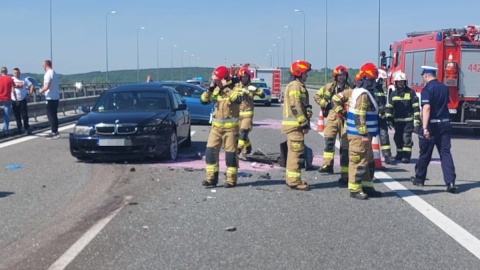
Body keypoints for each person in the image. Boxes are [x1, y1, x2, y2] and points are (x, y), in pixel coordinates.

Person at [411, 66, 457, 193]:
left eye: (423, 76)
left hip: (432, 125)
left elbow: (427, 108)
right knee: (445, 153)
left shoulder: (427, 89)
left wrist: (425, 127)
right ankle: (450, 182)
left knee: (425, 153)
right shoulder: (443, 87)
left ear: (426, 75)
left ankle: (420, 179)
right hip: (445, 124)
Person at [200, 66, 243, 188]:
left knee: (230, 155)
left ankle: (230, 180)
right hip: (216, 129)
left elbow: (238, 99)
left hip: (230, 129)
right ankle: (211, 178)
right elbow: (203, 100)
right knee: (210, 152)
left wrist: (225, 88)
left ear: (224, 79)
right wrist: (211, 88)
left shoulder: (236, 87)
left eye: (217, 80)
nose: (215, 82)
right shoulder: (215, 89)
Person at [346, 62, 383, 199]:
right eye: (372, 80)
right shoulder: (362, 94)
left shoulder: (363, 92)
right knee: (358, 162)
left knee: (367, 162)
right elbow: (359, 114)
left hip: (365, 135)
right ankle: (355, 189)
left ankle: (367, 186)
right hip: (359, 136)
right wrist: (363, 133)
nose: (374, 83)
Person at [314, 65, 352, 173]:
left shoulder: (350, 89)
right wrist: (325, 104)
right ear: (335, 76)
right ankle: (327, 165)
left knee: (345, 145)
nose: (342, 78)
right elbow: (317, 96)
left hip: (344, 117)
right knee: (329, 141)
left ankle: (345, 169)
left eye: (344, 75)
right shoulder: (328, 87)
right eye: (339, 76)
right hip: (332, 116)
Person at [281, 60, 312, 191]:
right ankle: (294, 181)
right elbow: (295, 106)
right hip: (295, 126)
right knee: (296, 153)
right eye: (305, 73)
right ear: (299, 73)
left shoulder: (298, 85)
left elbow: (302, 104)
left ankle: (291, 179)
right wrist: (304, 123)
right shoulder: (295, 86)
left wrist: (308, 109)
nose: (307, 76)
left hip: (295, 126)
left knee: (293, 153)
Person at [386, 72, 420, 163]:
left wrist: (416, 122)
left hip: (408, 121)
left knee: (406, 137)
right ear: (396, 83)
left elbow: (416, 107)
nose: (401, 83)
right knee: (397, 138)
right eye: (399, 82)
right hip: (397, 121)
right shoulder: (393, 94)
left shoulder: (411, 93)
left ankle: (406, 156)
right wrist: (389, 118)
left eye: (402, 81)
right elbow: (389, 107)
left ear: (405, 82)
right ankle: (399, 154)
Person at [234, 64, 265, 160]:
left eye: (246, 77)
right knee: (239, 134)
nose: (244, 79)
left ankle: (238, 150)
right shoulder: (235, 86)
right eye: (243, 77)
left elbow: (262, 95)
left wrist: (255, 90)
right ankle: (248, 147)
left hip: (247, 113)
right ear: (240, 77)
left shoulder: (251, 87)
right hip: (237, 113)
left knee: (244, 131)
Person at [374, 69, 394, 164]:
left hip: (381, 116)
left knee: (384, 135)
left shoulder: (381, 88)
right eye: (383, 79)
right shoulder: (371, 88)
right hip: (372, 116)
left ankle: (387, 156)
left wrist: (386, 111)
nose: (384, 82)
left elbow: (383, 102)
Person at [39, 60, 60, 139]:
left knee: (50, 115)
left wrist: (41, 91)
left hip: (50, 97)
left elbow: (47, 86)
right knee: (54, 115)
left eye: (43, 66)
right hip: (56, 97)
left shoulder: (47, 74)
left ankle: (54, 132)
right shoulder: (54, 73)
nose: (43, 67)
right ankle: (55, 131)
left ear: (45, 65)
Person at [11, 68, 34, 135]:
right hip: (14, 100)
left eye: (17, 73)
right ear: (13, 73)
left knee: (24, 115)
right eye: (15, 73)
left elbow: (31, 85)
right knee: (17, 115)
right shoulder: (11, 79)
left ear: (20, 73)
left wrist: (29, 95)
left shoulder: (24, 79)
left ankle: (27, 128)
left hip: (22, 100)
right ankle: (19, 129)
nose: (16, 74)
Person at [0, 66, 16, 137]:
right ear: (6, 71)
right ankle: (5, 131)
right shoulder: (10, 79)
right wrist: (16, 99)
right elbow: (13, 90)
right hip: (7, 99)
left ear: (1, 72)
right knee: (7, 116)